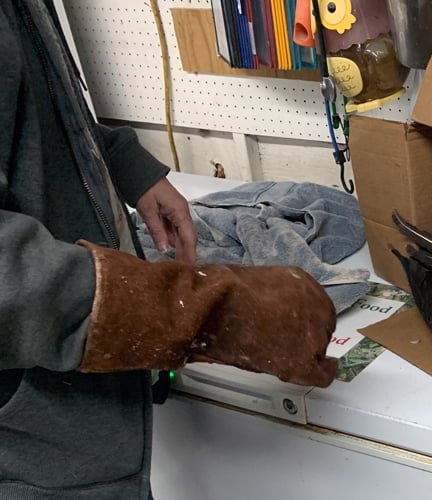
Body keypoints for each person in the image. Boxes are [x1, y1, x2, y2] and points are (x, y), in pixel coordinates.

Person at [0, 1, 340, 497]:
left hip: (89, 430)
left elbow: (34, 113)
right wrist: (208, 312)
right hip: (33, 454)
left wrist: (123, 163)